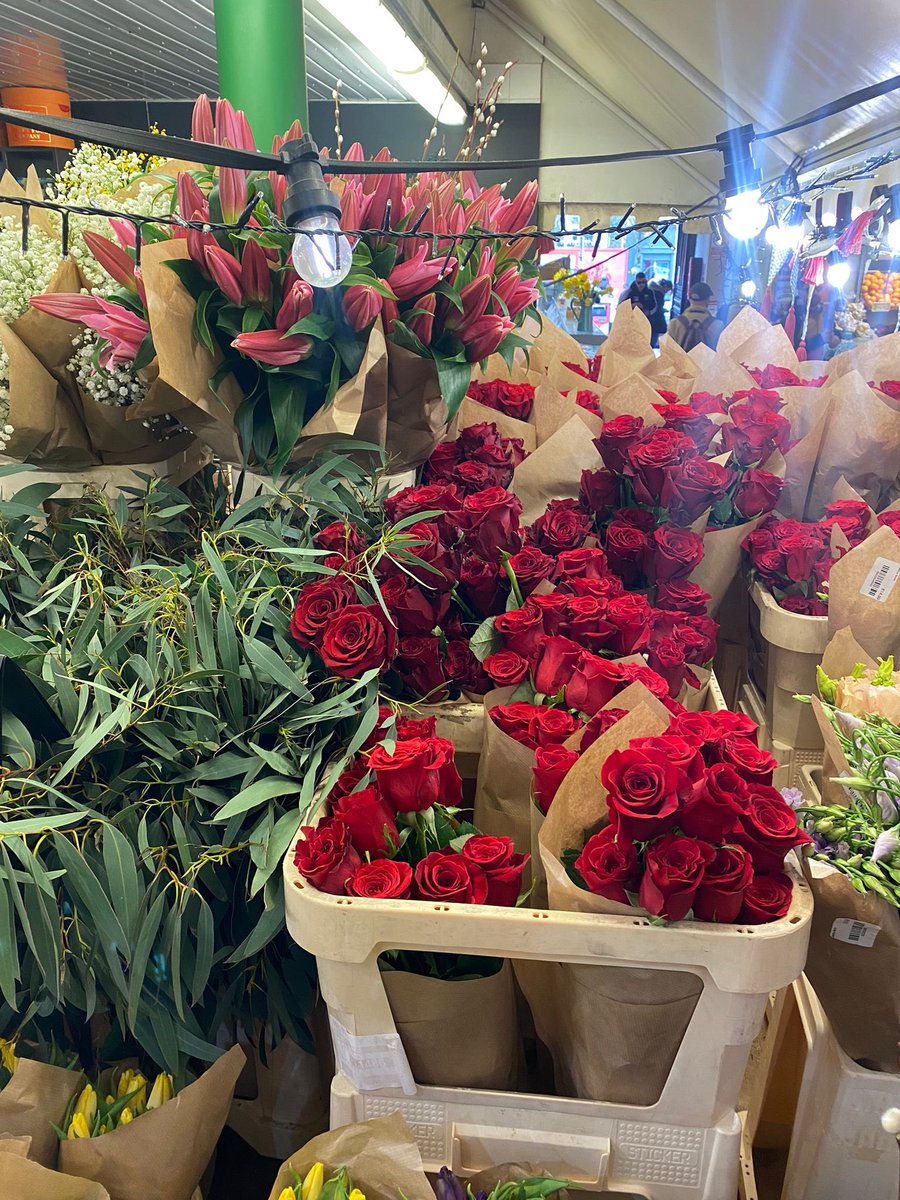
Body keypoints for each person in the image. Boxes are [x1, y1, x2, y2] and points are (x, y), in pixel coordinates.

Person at [667, 281, 724, 351]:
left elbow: (668, 352)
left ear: (689, 298)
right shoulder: (718, 325)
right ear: (708, 300)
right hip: (705, 361)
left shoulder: (674, 323)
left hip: (681, 361)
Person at [804, 283, 844, 360]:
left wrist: (836, 338)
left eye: (818, 289)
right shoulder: (796, 313)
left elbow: (833, 336)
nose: (814, 293)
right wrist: (822, 339)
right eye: (807, 290)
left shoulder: (823, 308)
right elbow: (795, 346)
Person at [648, 278, 673, 348]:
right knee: (652, 338)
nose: (667, 292)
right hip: (655, 320)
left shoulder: (654, 291)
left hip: (651, 318)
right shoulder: (658, 293)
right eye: (667, 290)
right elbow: (657, 307)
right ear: (665, 286)